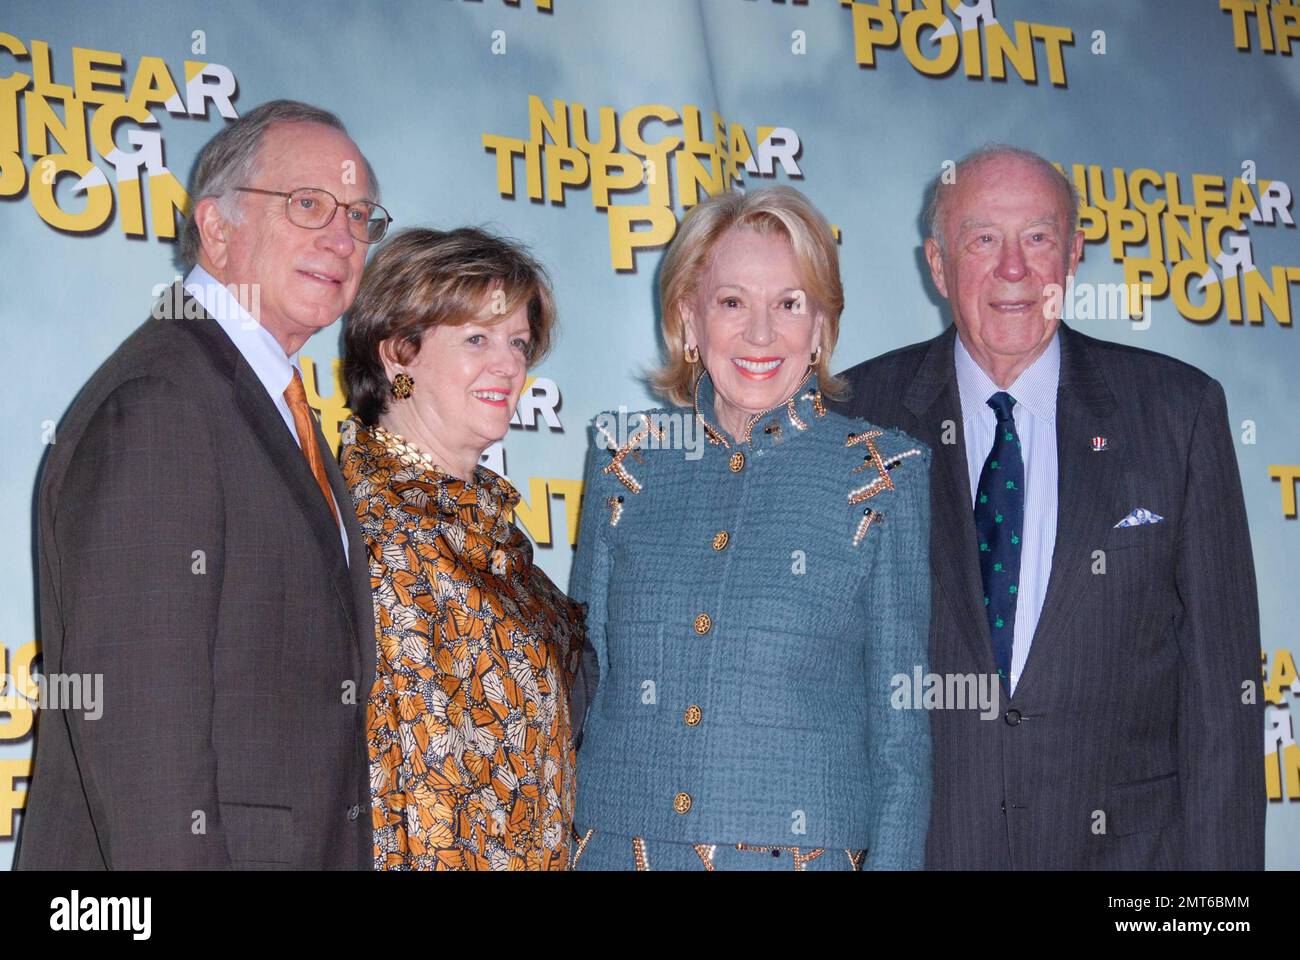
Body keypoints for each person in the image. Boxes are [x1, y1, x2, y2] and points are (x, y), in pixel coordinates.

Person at [832, 145, 1265, 870]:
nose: (1013, 269)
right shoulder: (856, 418)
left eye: (1038, 238)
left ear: (1073, 255)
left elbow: (1224, 701)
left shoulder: (1177, 414)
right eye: (982, 239)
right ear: (938, 266)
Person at [17, 100, 388, 869]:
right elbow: (144, 738)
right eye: (308, 204)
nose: (341, 235)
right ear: (216, 229)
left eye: (358, 215)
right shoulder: (161, 403)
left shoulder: (270, 402)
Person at [568, 186, 933, 871]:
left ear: (822, 326)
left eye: (789, 304)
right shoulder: (626, 460)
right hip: (616, 850)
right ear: (688, 319)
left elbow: (900, 744)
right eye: (732, 302)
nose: (760, 334)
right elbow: (588, 680)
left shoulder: (883, 474)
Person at [340, 226, 584, 870]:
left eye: (518, 343)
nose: (508, 366)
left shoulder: (495, 532)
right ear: (398, 354)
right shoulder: (362, 525)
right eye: (476, 338)